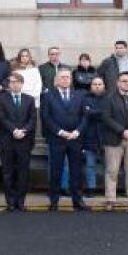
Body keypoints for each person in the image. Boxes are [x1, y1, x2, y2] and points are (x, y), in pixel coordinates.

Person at [41, 68, 89, 211]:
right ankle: (54, 201)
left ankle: (77, 200)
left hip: (75, 139)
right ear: (56, 80)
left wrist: (77, 131)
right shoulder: (48, 96)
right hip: (57, 139)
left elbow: (85, 116)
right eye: (62, 77)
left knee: (76, 171)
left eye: (67, 77)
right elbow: (46, 117)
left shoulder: (79, 95)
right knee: (56, 171)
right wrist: (60, 132)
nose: (65, 79)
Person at [98, 68, 128, 211]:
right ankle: (110, 199)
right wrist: (122, 131)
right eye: (124, 81)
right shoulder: (108, 99)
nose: (127, 83)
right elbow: (106, 118)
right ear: (118, 83)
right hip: (114, 139)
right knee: (112, 171)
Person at [0, 72, 38, 211]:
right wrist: (14, 130)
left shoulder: (29, 99)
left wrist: (24, 131)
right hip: (7, 140)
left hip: (24, 141)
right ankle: (10, 202)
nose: (14, 84)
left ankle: (20, 201)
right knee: (8, 172)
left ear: (21, 83)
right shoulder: (2, 99)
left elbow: (32, 119)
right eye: (12, 82)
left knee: (23, 173)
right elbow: (2, 118)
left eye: (17, 82)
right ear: (9, 84)